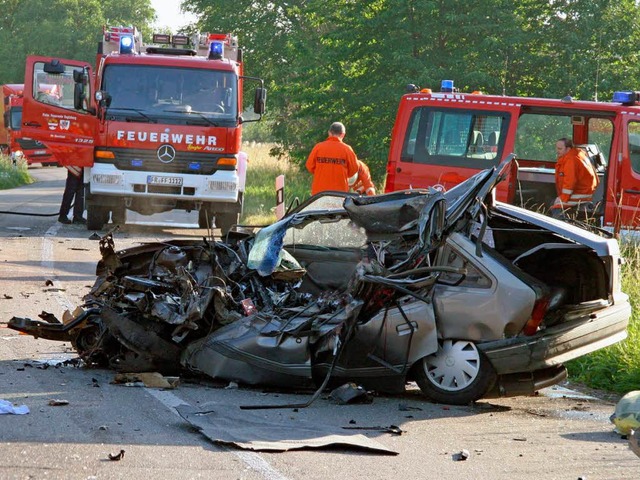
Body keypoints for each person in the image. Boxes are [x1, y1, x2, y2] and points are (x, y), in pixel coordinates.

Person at [550, 137, 599, 219]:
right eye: (557, 148)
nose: (557, 151)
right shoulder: (578, 154)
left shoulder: (570, 160)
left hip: (580, 193)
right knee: (554, 202)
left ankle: (559, 228)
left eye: (560, 149)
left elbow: (570, 182)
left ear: (568, 149)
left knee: (556, 207)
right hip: (586, 192)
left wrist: (563, 198)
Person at [305, 122, 359, 195]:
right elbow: (354, 169)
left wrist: (322, 171)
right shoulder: (347, 149)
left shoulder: (318, 147)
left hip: (319, 194)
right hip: (339, 194)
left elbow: (309, 166)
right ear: (343, 134)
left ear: (329, 133)